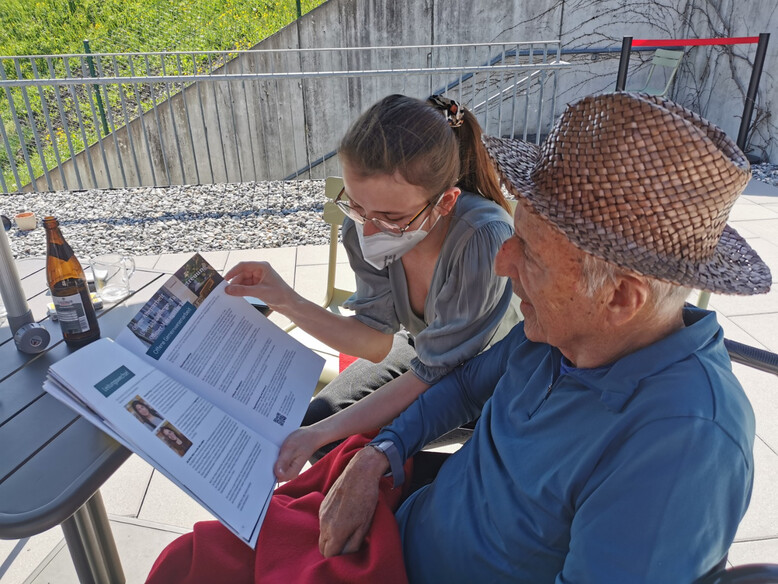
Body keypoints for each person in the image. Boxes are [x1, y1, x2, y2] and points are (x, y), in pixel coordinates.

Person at [147, 92, 772, 583]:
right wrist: (380, 454)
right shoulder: (560, 333)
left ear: (621, 298)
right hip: (402, 523)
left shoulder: (682, 446)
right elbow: (468, 386)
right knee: (188, 562)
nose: (504, 265)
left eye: (529, 255)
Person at [225, 93, 519, 476]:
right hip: (425, 356)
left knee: (345, 446)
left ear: (445, 202)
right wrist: (284, 299)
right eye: (356, 205)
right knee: (323, 425)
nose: (366, 229)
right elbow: (376, 340)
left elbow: (437, 376)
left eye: (390, 216)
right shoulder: (364, 225)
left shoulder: (482, 237)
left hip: (493, 380)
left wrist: (319, 434)